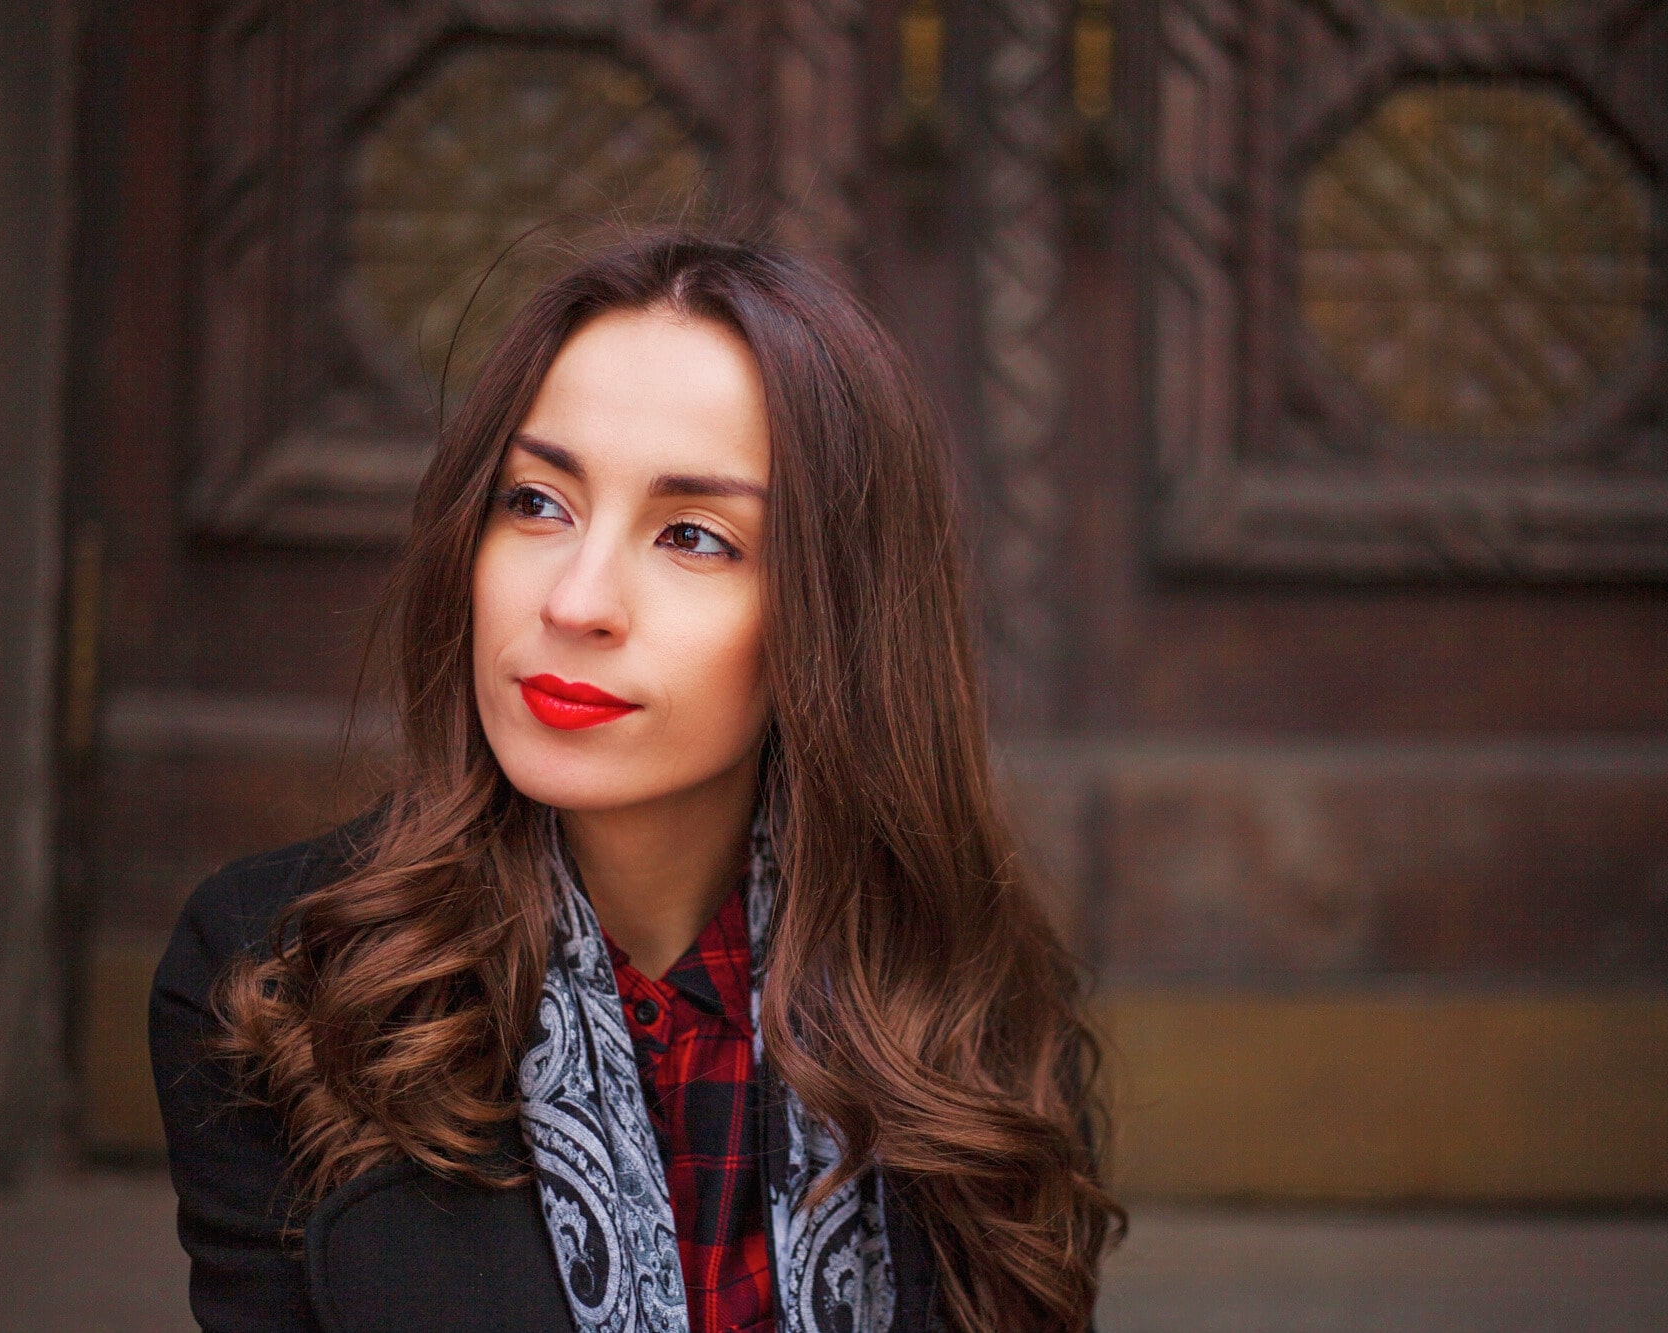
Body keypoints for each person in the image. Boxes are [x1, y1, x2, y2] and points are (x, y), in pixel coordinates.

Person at [149, 229, 1123, 1333]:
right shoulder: (277, 981)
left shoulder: (961, 1008)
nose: (576, 600)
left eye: (694, 536)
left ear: (834, 619)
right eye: (536, 504)